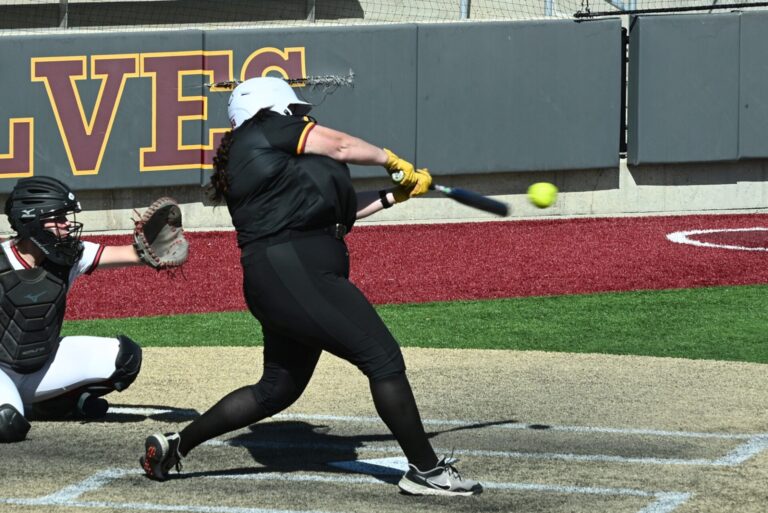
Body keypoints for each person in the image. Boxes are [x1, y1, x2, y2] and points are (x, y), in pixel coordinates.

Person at [139, 77, 482, 496]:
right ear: (273, 106)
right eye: (295, 111)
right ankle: (425, 472)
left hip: (289, 275)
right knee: (382, 358)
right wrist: (390, 158)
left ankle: (177, 445)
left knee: (276, 389)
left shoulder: (278, 157)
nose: (302, 116)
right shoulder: (263, 129)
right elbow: (340, 146)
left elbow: (337, 211)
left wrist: (397, 194)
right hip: (293, 269)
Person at [0, 176, 155, 443]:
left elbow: (133, 254)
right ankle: (27, 403)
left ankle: (53, 404)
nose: (68, 225)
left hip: (41, 366)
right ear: (33, 220)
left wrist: (156, 246)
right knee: (8, 425)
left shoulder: (71, 254)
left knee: (125, 359)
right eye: (59, 218)